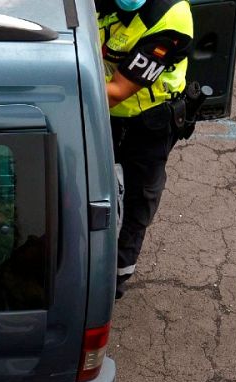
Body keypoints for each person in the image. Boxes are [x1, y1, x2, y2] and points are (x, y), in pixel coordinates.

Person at [96, 0, 195, 295]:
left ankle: (114, 280)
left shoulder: (170, 18)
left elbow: (116, 92)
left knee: (138, 198)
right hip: (104, 116)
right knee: (94, 189)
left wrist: (54, 77)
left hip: (149, 124)